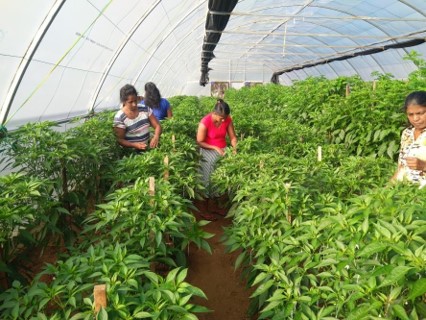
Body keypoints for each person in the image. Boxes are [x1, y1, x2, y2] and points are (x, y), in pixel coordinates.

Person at [196, 99, 237, 220]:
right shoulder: (205, 122)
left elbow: (233, 137)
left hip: (222, 151)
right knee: (206, 180)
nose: (223, 120)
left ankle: (214, 206)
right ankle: (203, 209)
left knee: (218, 180)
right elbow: (199, 142)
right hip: (207, 151)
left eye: (225, 118)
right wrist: (215, 147)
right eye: (221, 118)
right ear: (214, 113)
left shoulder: (227, 120)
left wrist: (235, 148)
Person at [391, 90, 426, 186]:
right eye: (411, 114)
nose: (415, 119)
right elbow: (402, 168)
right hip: (406, 192)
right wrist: (385, 191)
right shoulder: (407, 133)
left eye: (420, 113)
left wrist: (424, 166)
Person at [113, 84, 161, 151]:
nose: (134, 104)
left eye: (135, 100)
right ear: (123, 101)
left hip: (148, 147)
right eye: (130, 102)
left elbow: (157, 125)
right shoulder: (119, 117)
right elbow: (120, 139)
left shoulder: (145, 109)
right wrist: (134, 145)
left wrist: (156, 136)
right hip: (132, 154)